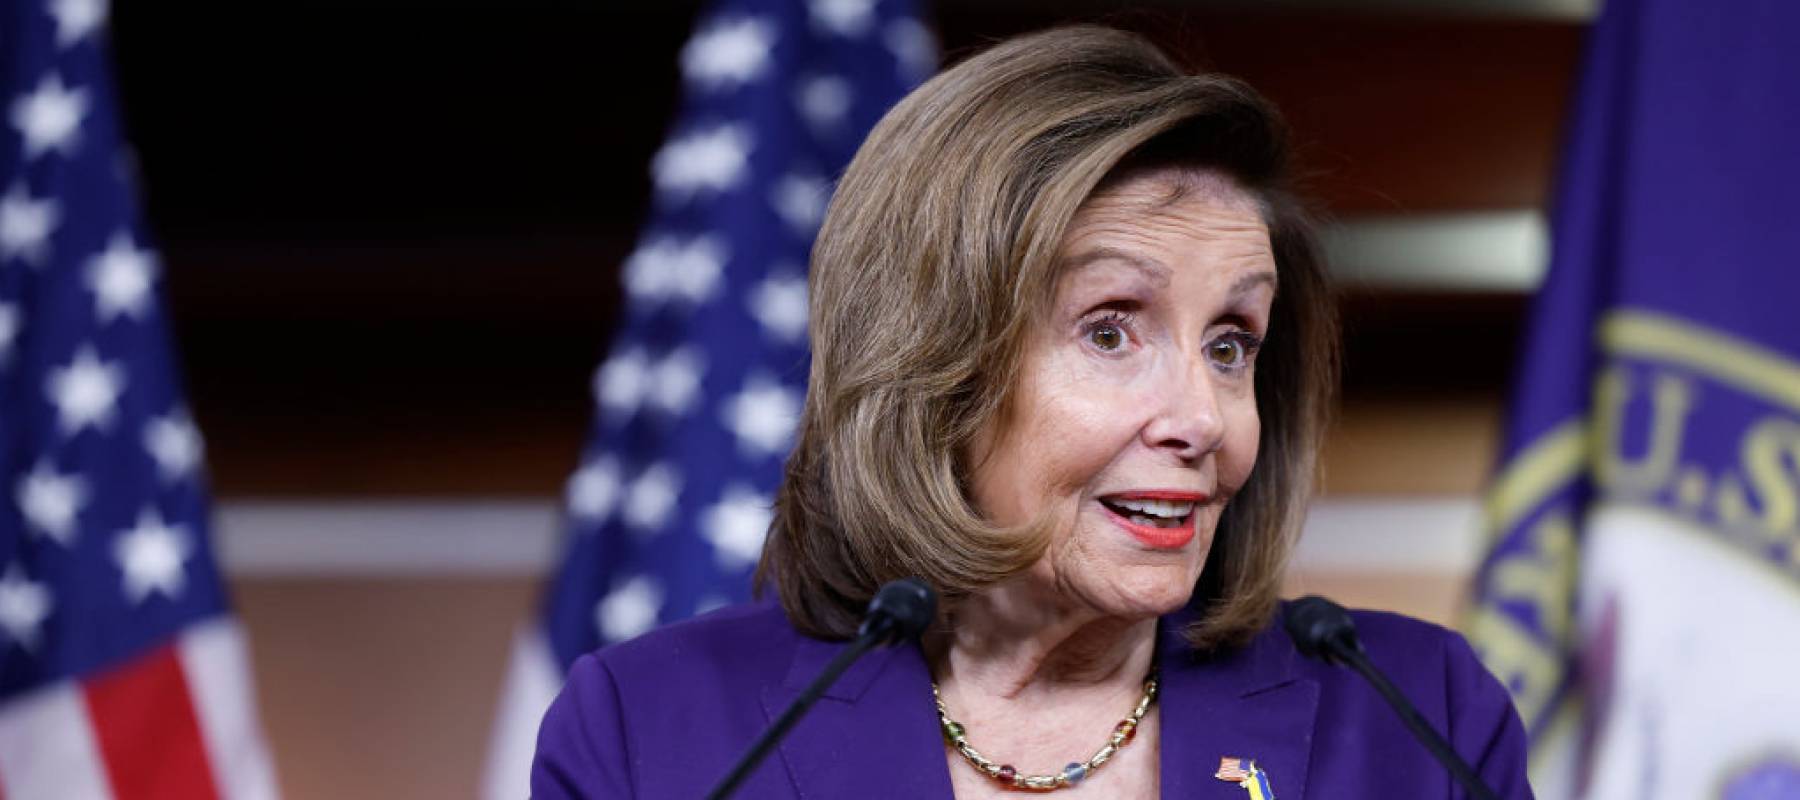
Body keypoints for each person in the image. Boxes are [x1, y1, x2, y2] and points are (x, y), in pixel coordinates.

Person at [532, 25, 1532, 799]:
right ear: (936, 363)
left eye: (1230, 345)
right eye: (1110, 329)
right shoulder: (659, 728)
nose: (1204, 418)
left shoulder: (1412, 716)